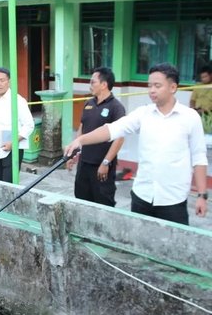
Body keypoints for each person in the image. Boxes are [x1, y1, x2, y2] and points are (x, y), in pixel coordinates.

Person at [64, 63, 208, 225]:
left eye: (157, 85)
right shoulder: (143, 113)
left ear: (173, 87)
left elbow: (199, 157)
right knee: (137, 245)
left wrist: (202, 195)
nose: (151, 90)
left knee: (171, 247)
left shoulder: (190, 117)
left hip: (173, 200)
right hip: (142, 197)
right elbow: (112, 130)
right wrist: (80, 140)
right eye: (149, 85)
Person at [66, 67, 125, 207]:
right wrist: (73, 154)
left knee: (103, 204)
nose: (90, 85)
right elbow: (82, 128)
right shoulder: (88, 103)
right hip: (84, 164)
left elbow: (120, 138)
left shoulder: (116, 107)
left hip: (101, 167)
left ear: (104, 84)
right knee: (81, 200)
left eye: (93, 82)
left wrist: (106, 163)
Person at [0, 67, 34, 183]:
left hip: (14, 148)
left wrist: (13, 142)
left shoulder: (18, 100)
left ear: (8, 82)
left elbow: (29, 125)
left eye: (2, 80)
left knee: (9, 185)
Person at [190, 64, 212, 134]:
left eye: (205, 77)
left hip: (209, 115)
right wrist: (193, 109)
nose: (203, 79)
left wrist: (206, 110)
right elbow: (192, 100)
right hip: (197, 113)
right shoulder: (198, 86)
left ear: (211, 75)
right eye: (202, 77)